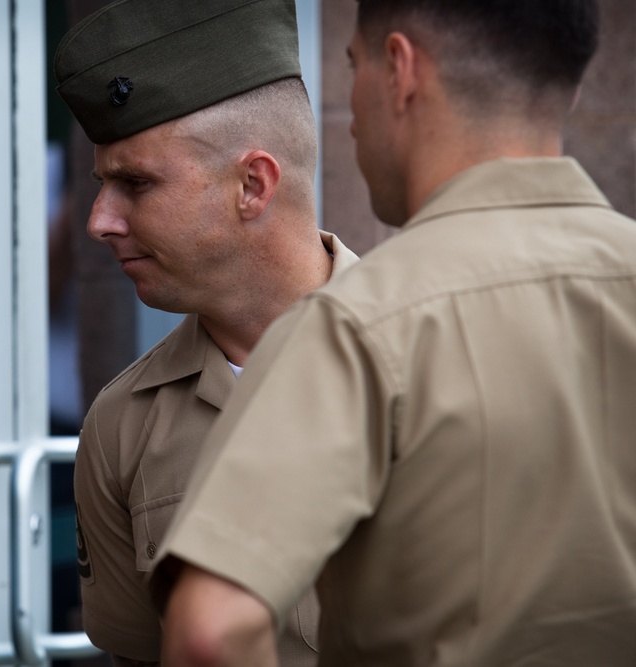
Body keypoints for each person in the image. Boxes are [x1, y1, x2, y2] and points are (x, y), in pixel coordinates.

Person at [152, 1, 636, 665]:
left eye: (352, 64)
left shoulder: (354, 324)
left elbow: (211, 630)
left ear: (399, 70)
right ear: (571, 87)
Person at [53, 1, 359, 665]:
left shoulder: (435, 360)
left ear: (254, 184)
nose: (100, 220)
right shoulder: (124, 425)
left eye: (135, 182)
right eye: (101, 184)